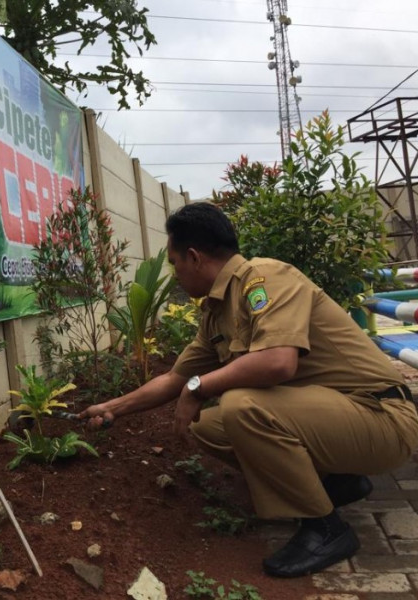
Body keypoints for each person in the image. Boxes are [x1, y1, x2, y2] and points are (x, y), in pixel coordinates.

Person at [80, 202, 418, 578]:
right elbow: (176, 378)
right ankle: (337, 482)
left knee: (241, 406)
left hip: (382, 417)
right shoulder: (216, 313)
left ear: (194, 257)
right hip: (341, 420)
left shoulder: (265, 278)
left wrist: (198, 387)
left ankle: (325, 529)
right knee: (208, 426)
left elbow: (278, 362)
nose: (175, 275)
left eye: (175, 263)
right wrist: (112, 408)